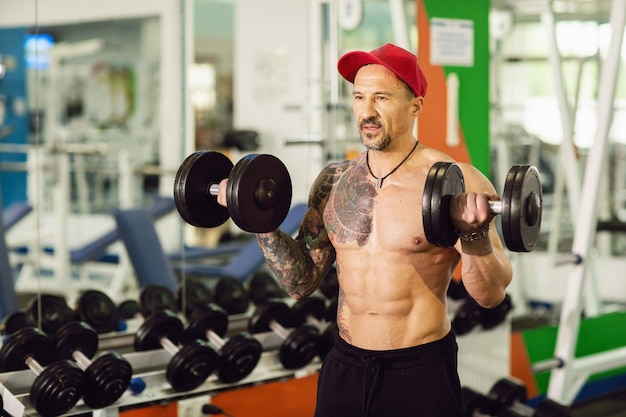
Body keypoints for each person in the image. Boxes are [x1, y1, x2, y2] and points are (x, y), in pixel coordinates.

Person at [218, 43, 512, 417]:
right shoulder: (334, 181)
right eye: (358, 96)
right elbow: (301, 282)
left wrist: (474, 237)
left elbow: (491, 296)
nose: (366, 111)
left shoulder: (451, 181)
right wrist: (260, 221)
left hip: (419, 371)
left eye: (381, 97)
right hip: (346, 364)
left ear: (415, 105)